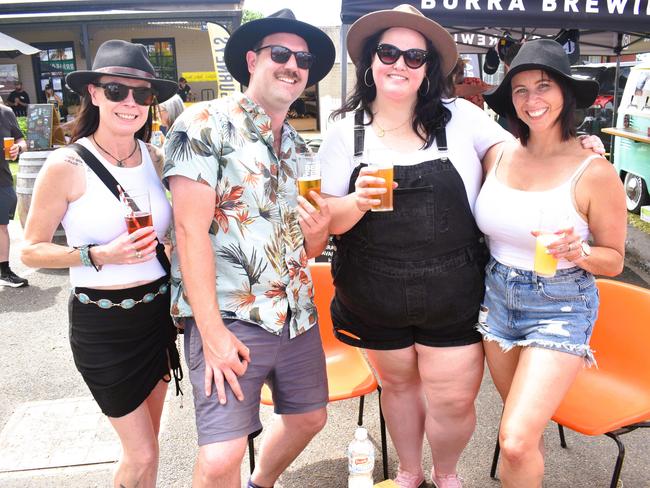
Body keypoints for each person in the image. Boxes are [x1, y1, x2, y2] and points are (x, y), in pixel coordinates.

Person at [318, 5, 605, 488]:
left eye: (415, 56)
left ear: (429, 68)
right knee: (399, 387)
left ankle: (446, 472)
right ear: (371, 60)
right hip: (373, 290)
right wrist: (355, 201)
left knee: (452, 399)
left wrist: (571, 148)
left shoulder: (463, 118)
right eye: (389, 52)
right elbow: (327, 223)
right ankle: (409, 472)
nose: (400, 64)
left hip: (454, 288)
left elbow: (516, 156)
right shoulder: (344, 130)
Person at [162, 9, 335, 488]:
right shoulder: (204, 124)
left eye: (302, 58)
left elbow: (307, 245)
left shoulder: (300, 147)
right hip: (231, 318)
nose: (293, 64)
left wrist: (320, 230)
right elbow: (189, 231)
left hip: (296, 314)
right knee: (219, 459)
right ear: (252, 59)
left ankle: (261, 484)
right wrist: (212, 333)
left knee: (310, 419)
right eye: (281, 53)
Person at [20, 40, 182, 488]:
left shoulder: (152, 156)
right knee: (141, 451)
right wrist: (98, 255)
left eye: (142, 94)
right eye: (116, 91)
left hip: (155, 317)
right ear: (93, 93)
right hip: (103, 326)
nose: (130, 103)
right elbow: (30, 250)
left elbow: (171, 232)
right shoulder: (66, 164)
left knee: (150, 446)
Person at [476, 39, 626, 488]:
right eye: (519, 90)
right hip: (496, 297)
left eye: (543, 86)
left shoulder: (594, 170)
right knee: (522, 435)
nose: (531, 100)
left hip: (560, 303)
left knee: (516, 439)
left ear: (565, 93)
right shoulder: (497, 154)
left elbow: (615, 260)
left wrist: (578, 252)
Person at [0, 103, 28, 287]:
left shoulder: (5, 112)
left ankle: (4, 272)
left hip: (2, 179)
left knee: (1, 226)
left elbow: (21, 140)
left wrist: (18, 147)